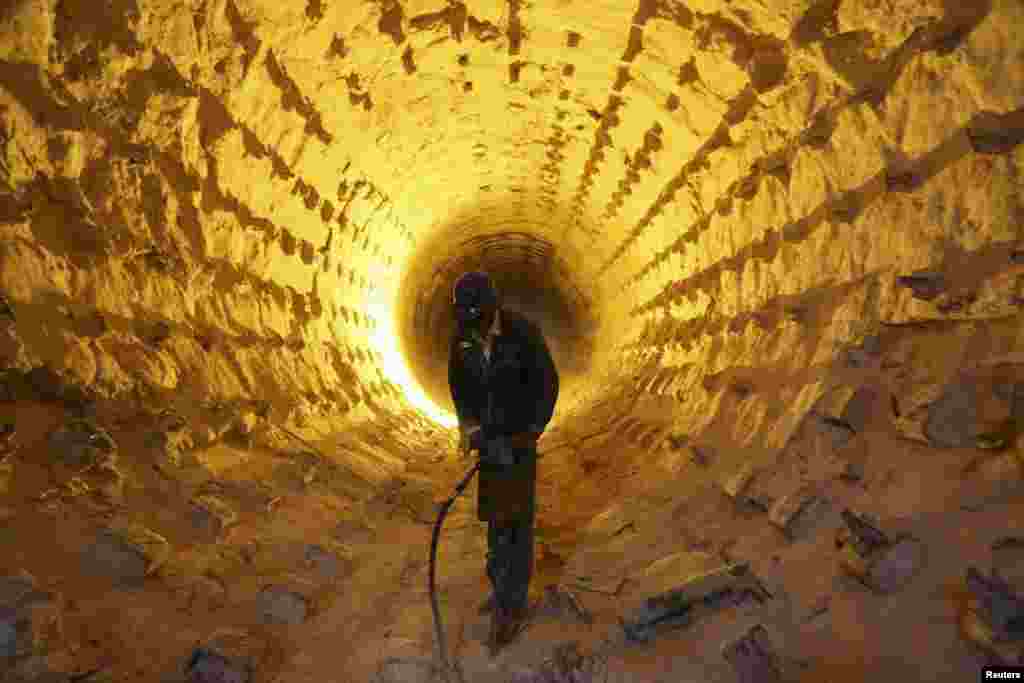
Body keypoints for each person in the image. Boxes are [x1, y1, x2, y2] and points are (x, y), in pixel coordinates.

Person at [448, 271, 559, 654]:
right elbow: (459, 386)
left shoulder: (523, 333)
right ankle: (500, 589)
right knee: (496, 519)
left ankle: (513, 604)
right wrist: (469, 428)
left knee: (517, 523)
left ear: (492, 307)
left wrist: (532, 431)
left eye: (478, 317)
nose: (473, 326)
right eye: (466, 318)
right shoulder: (463, 339)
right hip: (491, 445)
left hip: (519, 441)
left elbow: (548, 384)